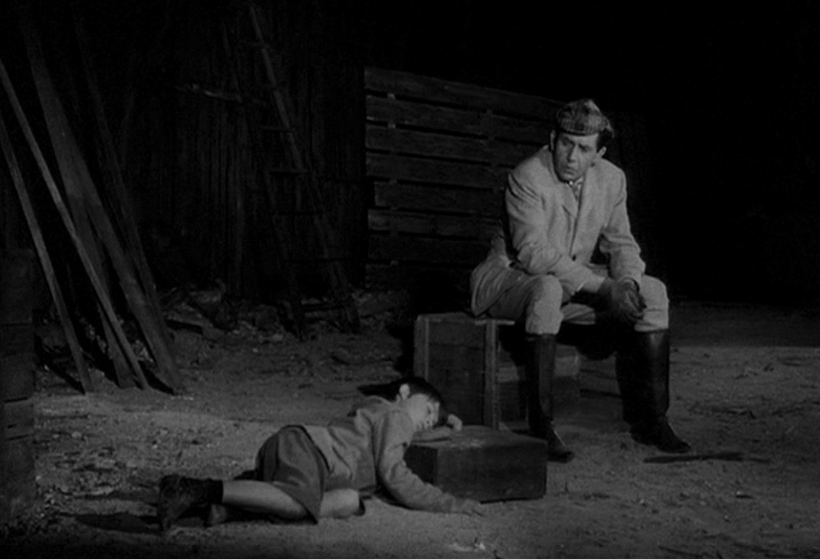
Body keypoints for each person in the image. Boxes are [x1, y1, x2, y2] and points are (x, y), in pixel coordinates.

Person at [469, 99, 691, 463]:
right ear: (552, 139)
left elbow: (621, 243)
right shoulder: (528, 176)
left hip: (569, 282)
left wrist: (627, 284)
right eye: (566, 143)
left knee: (653, 291)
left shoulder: (611, 179)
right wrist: (605, 288)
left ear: (598, 153)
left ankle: (654, 421)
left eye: (584, 148)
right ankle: (541, 426)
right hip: (510, 280)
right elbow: (533, 254)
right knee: (547, 287)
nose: (572, 156)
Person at [156, 376, 480, 531]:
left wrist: (444, 425)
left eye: (432, 420)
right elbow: (394, 472)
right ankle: (199, 489)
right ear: (404, 392)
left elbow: (405, 436)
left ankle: (227, 506)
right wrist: (450, 503)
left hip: (299, 453)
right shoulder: (396, 416)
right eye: (429, 409)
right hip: (308, 452)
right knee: (300, 505)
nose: (427, 420)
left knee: (350, 501)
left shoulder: (379, 412)